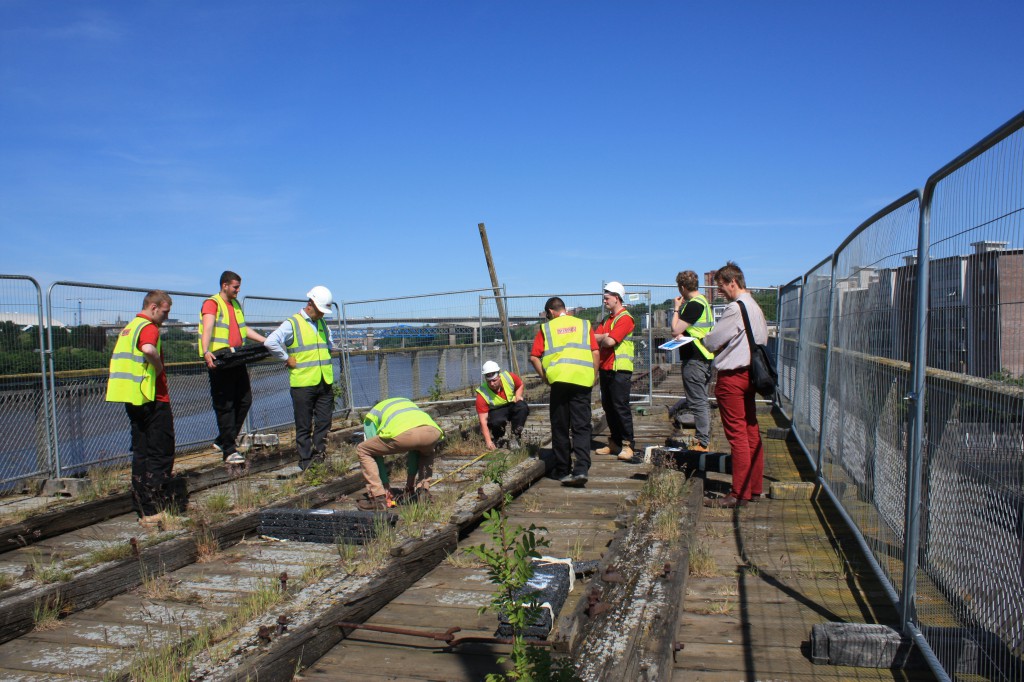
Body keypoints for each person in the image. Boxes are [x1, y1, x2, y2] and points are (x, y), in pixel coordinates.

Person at [105, 291, 176, 528]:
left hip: (133, 398)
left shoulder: (129, 327)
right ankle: (155, 506)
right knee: (161, 451)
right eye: (165, 311)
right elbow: (148, 349)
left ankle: (143, 507)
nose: (166, 316)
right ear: (154, 307)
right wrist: (158, 367)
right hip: (152, 397)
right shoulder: (148, 327)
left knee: (141, 452)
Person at [702, 262, 769, 508]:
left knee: (737, 435)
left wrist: (707, 339)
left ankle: (738, 492)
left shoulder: (736, 308)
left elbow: (713, 340)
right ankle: (754, 488)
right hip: (751, 375)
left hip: (733, 377)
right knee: (751, 431)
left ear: (733, 282)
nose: (721, 292)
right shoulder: (755, 307)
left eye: (722, 287)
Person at [529, 297, 599, 488]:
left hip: (559, 382)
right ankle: (582, 467)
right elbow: (595, 352)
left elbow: (534, 357)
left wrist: (545, 377)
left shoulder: (547, 329)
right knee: (581, 426)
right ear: (564, 309)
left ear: (550, 312)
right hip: (582, 380)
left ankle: (562, 469)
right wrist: (593, 375)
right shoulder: (584, 325)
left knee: (560, 426)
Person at [264, 286, 336, 471]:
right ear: (310, 304)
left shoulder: (322, 324)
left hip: (324, 381)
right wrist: (286, 358)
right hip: (303, 383)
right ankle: (306, 461)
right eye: (321, 311)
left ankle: (319, 456)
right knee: (304, 425)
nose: (322, 315)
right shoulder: (292, 323)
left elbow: (328, 346)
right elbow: (270, 341)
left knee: (324, 422)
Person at [199, 271, 266, 465]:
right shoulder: (212, 303)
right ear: (224, 285)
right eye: (235, 287)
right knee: (225, 404)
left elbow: (243, 329)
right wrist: (205, 351)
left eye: (239, 287)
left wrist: (265, 341)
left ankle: (223, 440)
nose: (238, 290)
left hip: (236, 357)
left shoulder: (235, 305)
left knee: (245, 400)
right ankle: (229, 449)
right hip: (220, 359)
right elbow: (208, 326)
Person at [356, 397, 444, 510]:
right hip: (432, 431)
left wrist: (385, 487)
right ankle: (423, 491)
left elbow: (377, 457)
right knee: (426, 452)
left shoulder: (372, 415)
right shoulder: (406, 402)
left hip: (403, 435)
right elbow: (414, 449)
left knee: (363, 449)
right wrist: (409, 486)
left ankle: (378, 498)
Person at [671, 270, 716, 452]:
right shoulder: (704, 301)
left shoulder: (693, 305)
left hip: (695, 359)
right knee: (701, 400)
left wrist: (676, 309)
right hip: (705, 356)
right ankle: (702, 438)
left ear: (682, 287)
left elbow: (675, 329)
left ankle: (702, 441)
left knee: (697, 401)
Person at [594, 281, 636, 462]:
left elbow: (610, 342)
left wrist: (604, 337)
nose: (604, 301)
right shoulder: (607, 320)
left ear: (617, 298)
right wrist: (605, 337)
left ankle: (628, 445)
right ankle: (615, 442)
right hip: (606, 368)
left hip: (619, 369)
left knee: (620, 407)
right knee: (609, 407)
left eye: (607, 298)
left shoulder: (625, 318)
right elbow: (594, 339)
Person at [476, 360, 530, 450]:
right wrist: (488, 441)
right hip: (497, 412)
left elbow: (520, 385)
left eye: (494, 380)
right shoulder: (482, 393)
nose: (492, 384)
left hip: (512, 406)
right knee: (496, 421)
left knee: (522, 407)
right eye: (489, 381)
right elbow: (483, 421)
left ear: (499, 375)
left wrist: (518, 395)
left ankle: (515, 436)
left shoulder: (509, 377)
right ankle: (498, 438)